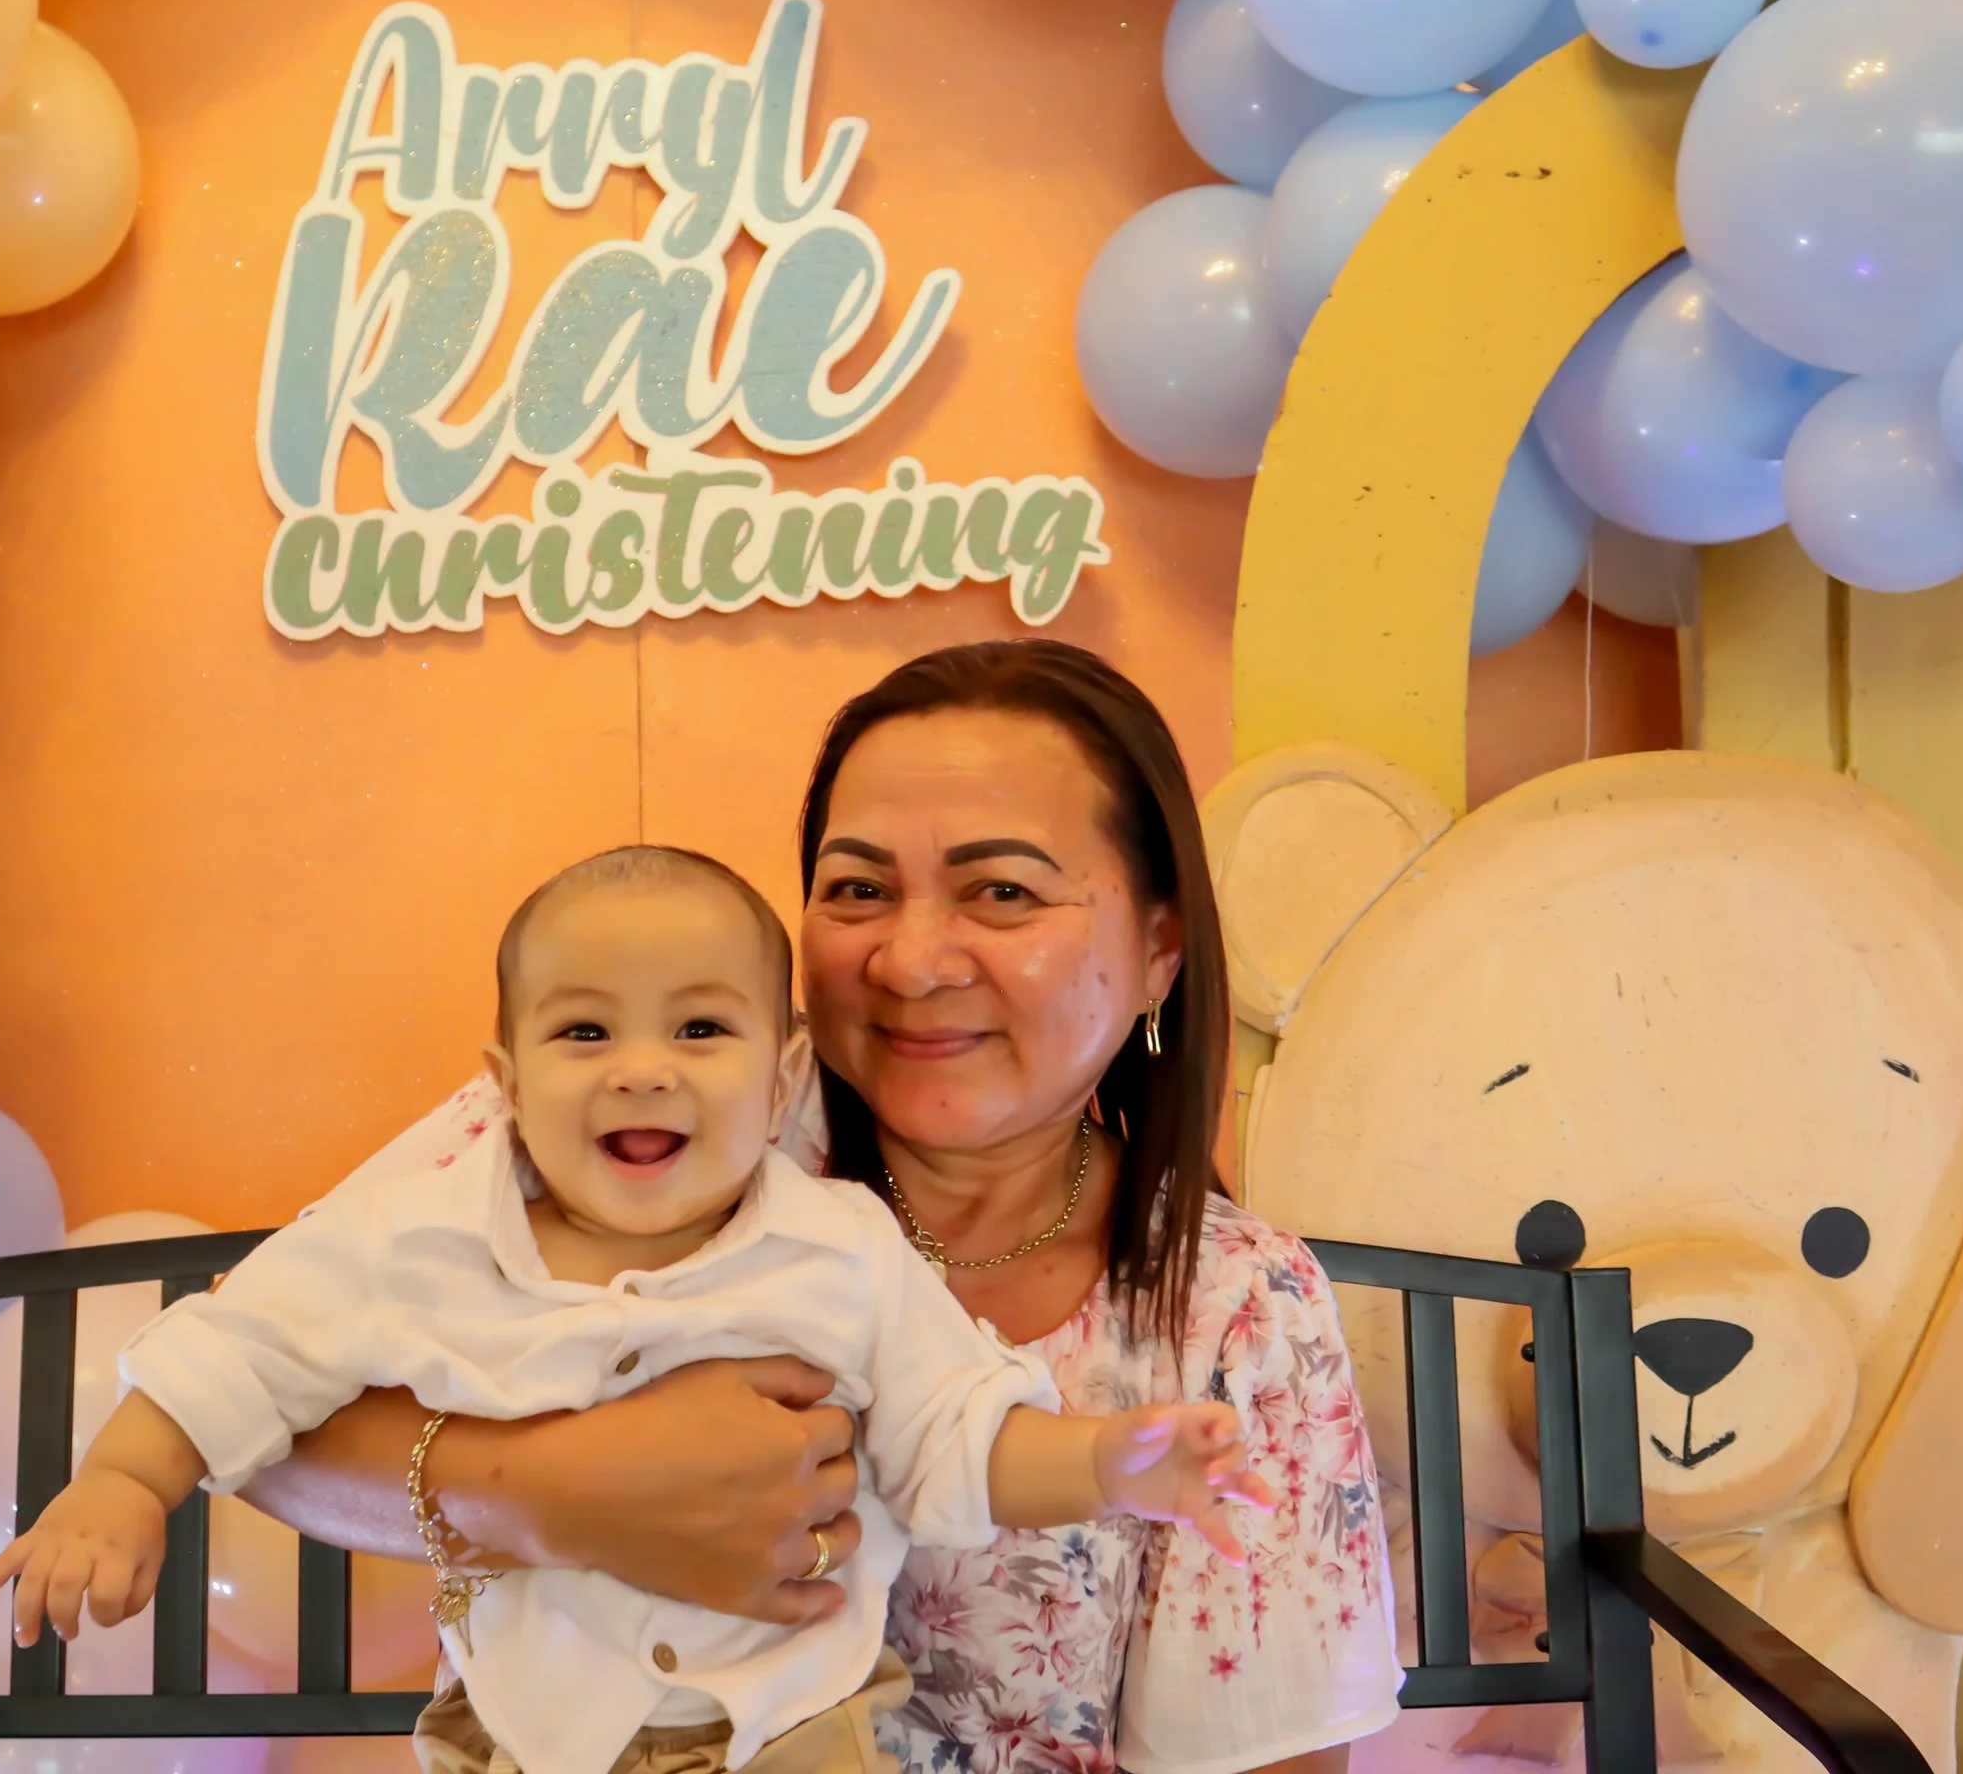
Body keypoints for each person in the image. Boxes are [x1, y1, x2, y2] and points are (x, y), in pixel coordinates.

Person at [240, 639, 1400, 1774]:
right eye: (858, 889)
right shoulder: (626, 1132)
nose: (909, 956)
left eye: (1002, 889)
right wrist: (559, 1492)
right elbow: (248, 1398)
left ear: (1157, 949)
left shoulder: (1234, 1304)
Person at [0, 843, 1272, 1774]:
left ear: (779, 1085)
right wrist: (121, 1487)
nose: (641, 1070)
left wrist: (1109, 1463)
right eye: (584, 1034)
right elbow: (238, 1349)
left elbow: (958, 1436)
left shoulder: (840, 1251)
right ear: (506, 1081)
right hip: (527, 1738)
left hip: (792, 1734)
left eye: (699, 1031)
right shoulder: (424, 1235)